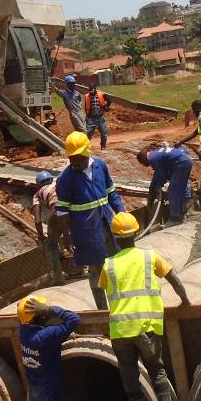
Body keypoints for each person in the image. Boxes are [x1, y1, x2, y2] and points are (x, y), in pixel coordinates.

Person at [100, 212, 190, 401]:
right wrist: (185, 301)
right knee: (156, 370)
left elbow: (103, 295)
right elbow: (175, 279)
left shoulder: (108, 265)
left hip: (120, 330)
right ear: (137, 232)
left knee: (129, 375)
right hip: (146, 328)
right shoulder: (150, 257)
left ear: (114, 236)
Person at [55, 132, 125, 309]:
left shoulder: (100, 166)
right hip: (86, 232)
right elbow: (62, 212)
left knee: (114, 266)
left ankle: (120, 306)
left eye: (78, 158)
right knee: (95, 270)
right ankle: (102, 311)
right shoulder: (65, 179)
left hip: (108, 225)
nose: (75, 163)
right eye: (72, 159)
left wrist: (122, 213)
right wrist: (67, 238)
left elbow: (111, 193)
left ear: (87, 152)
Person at [18, 295, 81, 401]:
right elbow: (74, 319)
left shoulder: (23, 334)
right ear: (41, 316)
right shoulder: (46, 336)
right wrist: (50, 309)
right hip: (51, 397)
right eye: (43, 313)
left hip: (36, 397)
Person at [138, 145, 193, 224]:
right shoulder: (157, 154)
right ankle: (184, 211)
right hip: (186, 160)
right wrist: (152, 190)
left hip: (181, 164)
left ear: (143, 159)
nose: (144, 165)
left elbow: (161, 176)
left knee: (173, 190)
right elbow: (157, 175)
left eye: (142, 163)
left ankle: (175, 219)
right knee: (181, 187)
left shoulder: (152, 159)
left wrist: (159, 186)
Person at [32, 171, 65, 285]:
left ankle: (58, 278)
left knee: (51, 245)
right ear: (51, 179)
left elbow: (37, 220)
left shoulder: (37, 194)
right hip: (72, 211)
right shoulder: (58, 184)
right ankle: (83, 268)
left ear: (38, 184)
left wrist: (41, 235)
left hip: (56, 214)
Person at [84, 85, 111, 149]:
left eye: (92, 89)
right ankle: (87, 146)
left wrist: (107, 106)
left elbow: (109, 100)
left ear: (95, 88)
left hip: (100, 116)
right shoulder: (87, 96)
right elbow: (86, 107)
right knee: (88, 133)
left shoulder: (101, 94)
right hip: (91, 117)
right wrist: (87, 116)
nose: (91, 91)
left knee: (103, 132)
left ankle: (103, 145)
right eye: (90, 90)